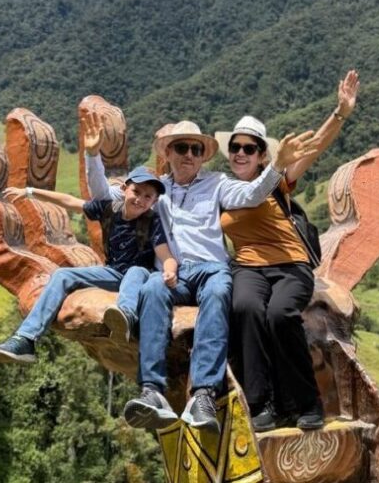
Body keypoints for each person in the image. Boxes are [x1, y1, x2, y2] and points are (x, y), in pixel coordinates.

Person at [85, 115, 317, 434]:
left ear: (202, 155)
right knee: (152, 290)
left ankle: (204, 394)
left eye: (196, 149)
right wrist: (92, 156)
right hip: (172, 272)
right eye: (182, 147)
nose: (189, 154)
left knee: (221, 291)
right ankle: (152, 391)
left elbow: (251, 195)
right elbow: (104, 196)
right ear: (168, 153)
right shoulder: (155, 189)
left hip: (211, 268)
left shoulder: (218, 183)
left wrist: (276, 166)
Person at [216, 69, 360, 432]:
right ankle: (260, 404)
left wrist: (340, 111)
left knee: (281, 314)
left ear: (263, 155)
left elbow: (316, 146)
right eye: (235, 147)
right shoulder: (222, 191)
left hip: (290, 264)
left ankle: (305, 401)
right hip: (247, 267)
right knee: (246, 308)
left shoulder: (277, 180)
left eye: (249, 148)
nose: (240, 153)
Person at [0, 150, 178, 363]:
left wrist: (170, 271)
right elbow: (70, 202)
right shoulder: (108, 209)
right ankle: (26, 339)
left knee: (135, 271)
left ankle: (125, 318)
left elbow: (166, 254)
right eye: (137, 191)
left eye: (148, 197)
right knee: (62, 275)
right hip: (113, 273)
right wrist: (30, 191)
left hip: (139, 275)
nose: (140, 199)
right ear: (125, 189)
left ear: (153, 202)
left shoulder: (152, 221)